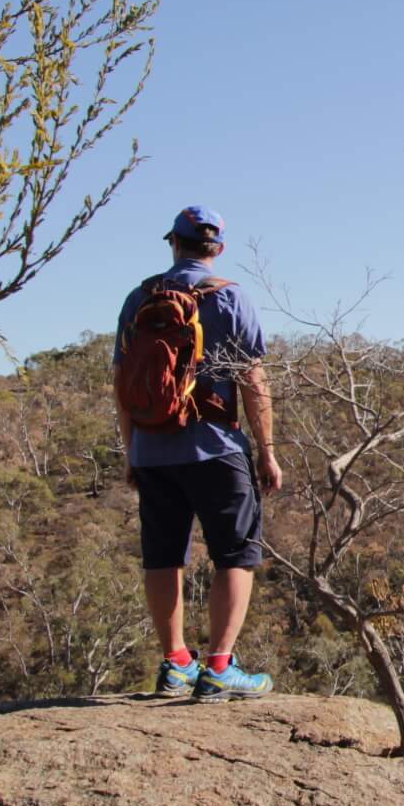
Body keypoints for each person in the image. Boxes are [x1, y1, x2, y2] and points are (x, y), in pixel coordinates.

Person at [115, 204, 284, 699]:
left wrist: (132, 451)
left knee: (163, 556)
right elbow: (253, 380)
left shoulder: (139, 298)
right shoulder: (231, 298)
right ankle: (218, 667)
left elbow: (122, 382)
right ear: (218, 249)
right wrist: (267, 451)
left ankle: (175, 664)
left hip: (152, 448)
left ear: (173, 243)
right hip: (216, 447)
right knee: (235, 554)